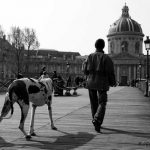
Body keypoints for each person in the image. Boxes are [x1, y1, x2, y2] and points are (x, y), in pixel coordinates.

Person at [82, 38, 116, 132]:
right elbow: (110, 71)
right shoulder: (106, 58)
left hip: (91, 82)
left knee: (93, 103)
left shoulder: (89, 56)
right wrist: (112, 82)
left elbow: (84, 70)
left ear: (95, 46)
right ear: (104, 46)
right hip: (102, 82)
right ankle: (97, 119)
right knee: (102, 102)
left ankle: (95, 120)